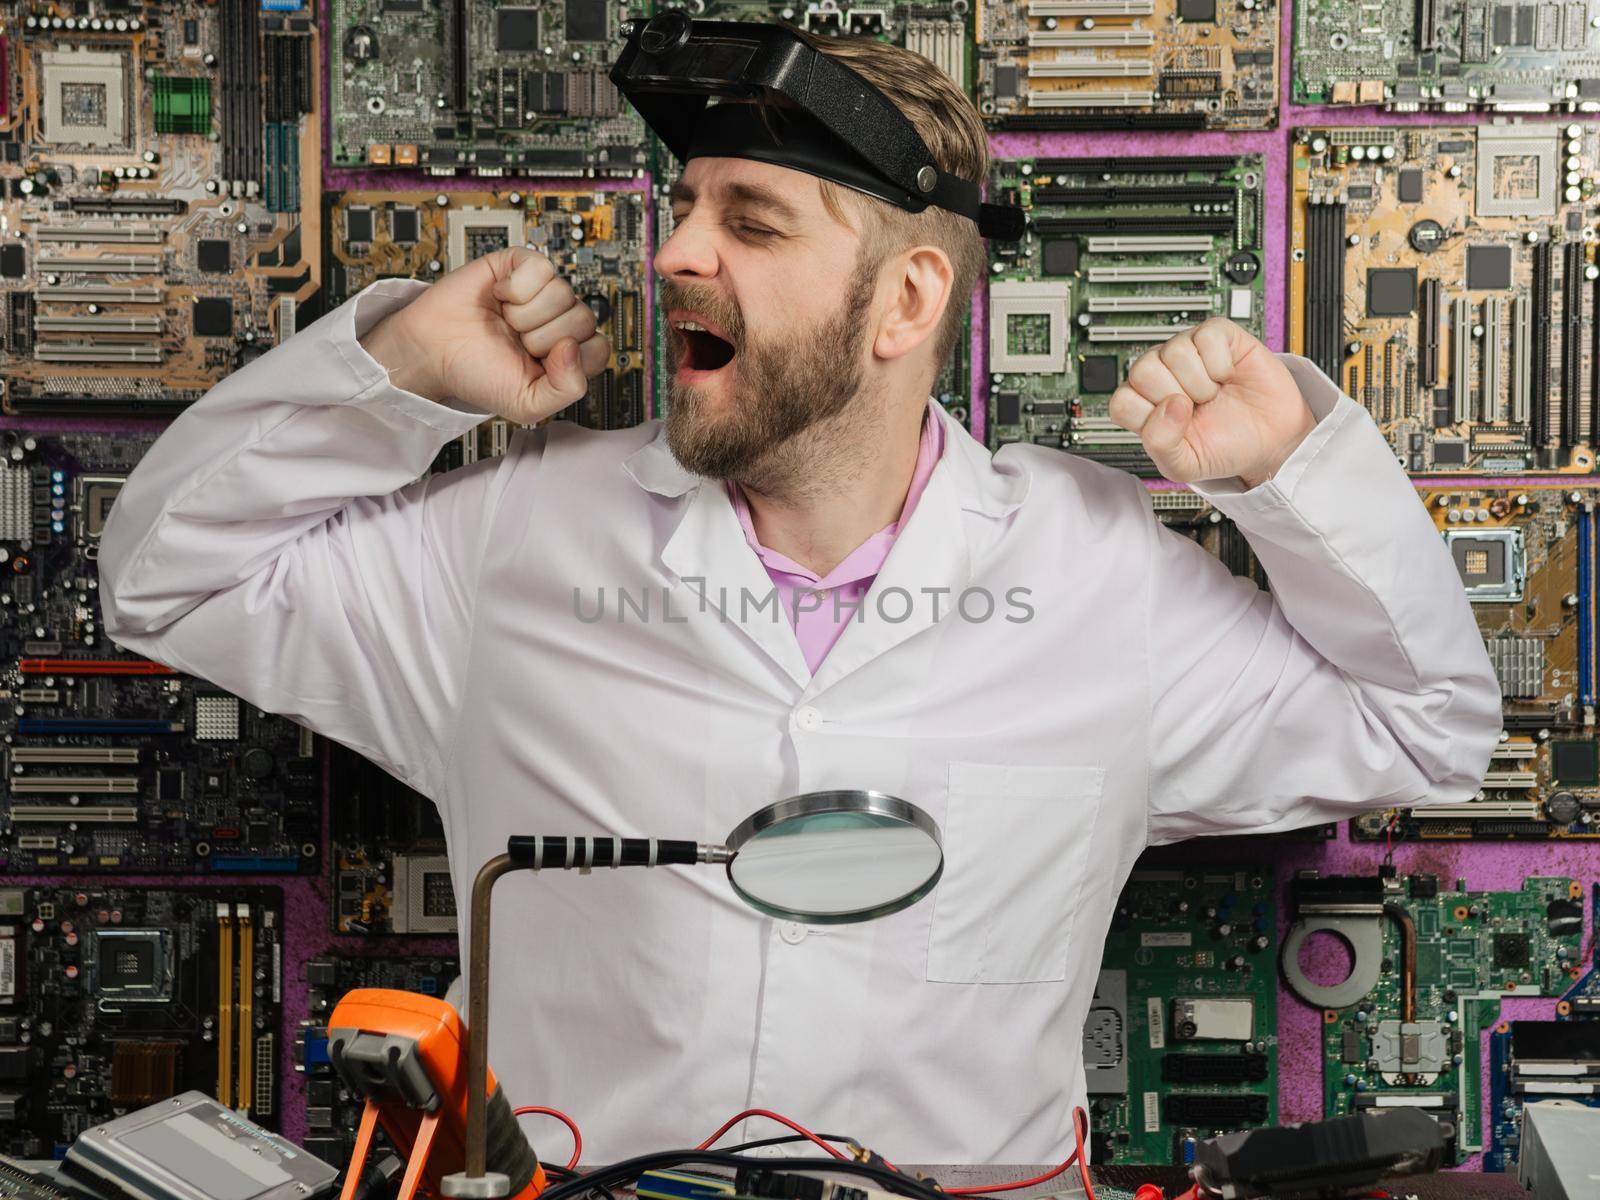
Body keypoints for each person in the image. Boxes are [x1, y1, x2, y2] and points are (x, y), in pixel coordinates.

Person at [97, 24, 1498, 1166]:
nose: (674, 257)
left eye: (749, 223)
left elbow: (1424, 730)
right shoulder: (512, 541)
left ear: (906, 305)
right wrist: (394, 372)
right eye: (686, 210)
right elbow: (167, 579)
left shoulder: (1098, 571)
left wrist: (1295, 477)